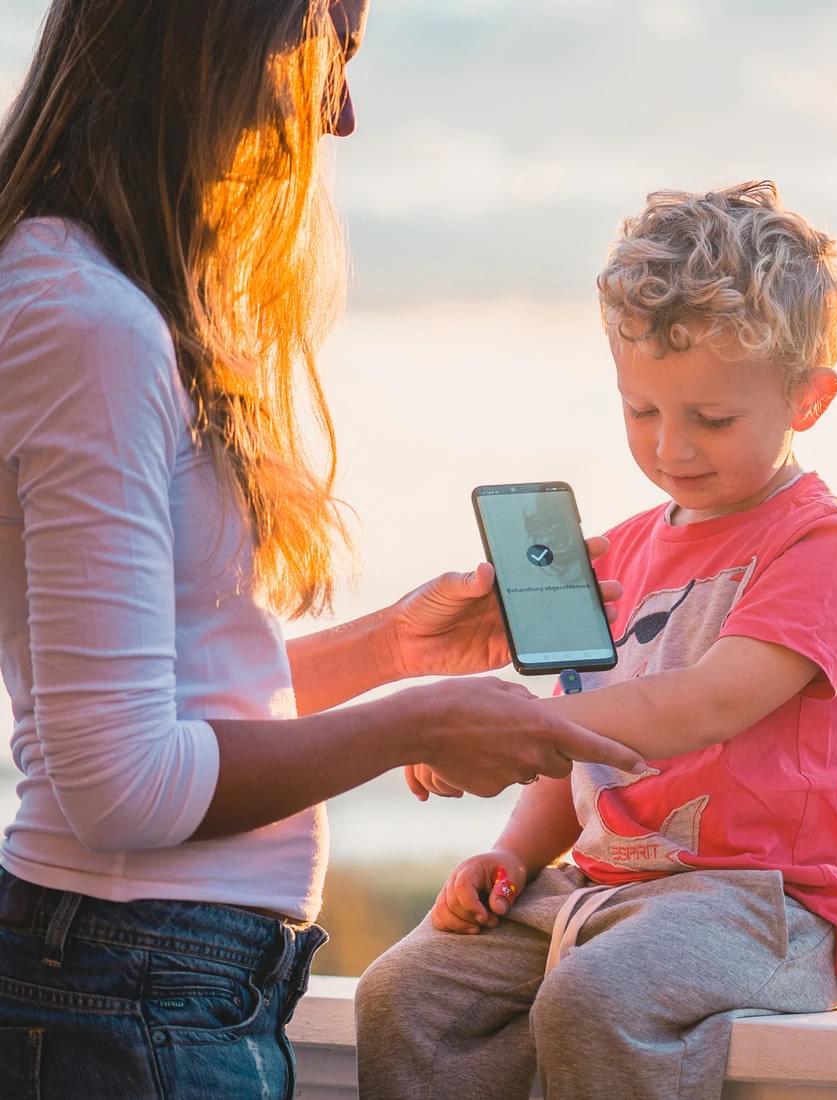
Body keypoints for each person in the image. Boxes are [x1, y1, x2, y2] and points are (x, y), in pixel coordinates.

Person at [0, 3, 646, 1097]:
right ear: (216, 31)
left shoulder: (101, 301)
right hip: (131, 987)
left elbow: (162, 708)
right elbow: (120, 782)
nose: (339, 114)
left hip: (159, 983)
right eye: (332, 50)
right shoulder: (87, 323)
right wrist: (418, 724)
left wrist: (395, 647)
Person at [356, 181, 837, 1100]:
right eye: (642, 411)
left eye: (711, 419)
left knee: (597, 997)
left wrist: (504, 728)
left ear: (809, 398)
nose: (671, 446)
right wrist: (515, 854)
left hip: (762, 906)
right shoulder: (629, 550)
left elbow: (704, 704)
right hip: (595, 891)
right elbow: (585, 750)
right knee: (407, 993)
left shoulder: (821, 547)